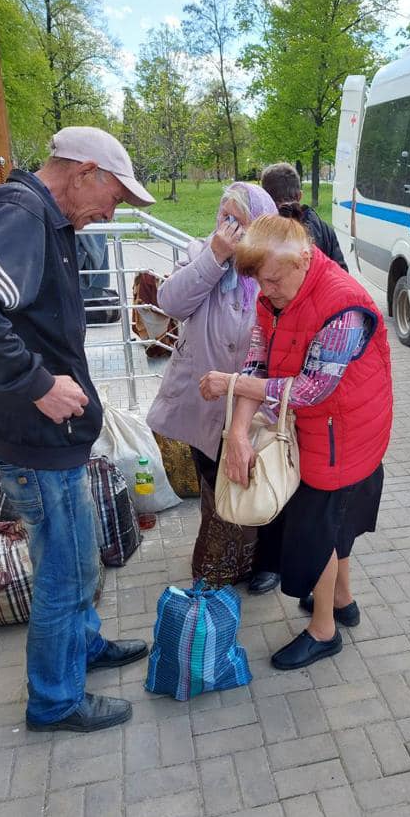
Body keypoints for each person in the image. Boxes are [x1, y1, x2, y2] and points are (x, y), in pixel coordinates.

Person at [0, 126, 154, 733]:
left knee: (79, 556)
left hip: (56, 441)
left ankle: (82, 646)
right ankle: (56, 700)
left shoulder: (48, 220)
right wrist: (38, 383)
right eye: (113, 197)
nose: (110, 213)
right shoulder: (22, 212)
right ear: (84, 172)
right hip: (37, 443)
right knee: (63, 571)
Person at [200, 212, 393, 670]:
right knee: (337, 523)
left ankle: (324, 631)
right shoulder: (277, 296)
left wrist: (231, 385)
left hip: (342, 434)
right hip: (325, 428)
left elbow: (311, 389)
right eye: (259, 284)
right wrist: (240, 431)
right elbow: (258, 358)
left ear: (304, 258)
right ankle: (342, 600)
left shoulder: (343, 305)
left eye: (271, 281)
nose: (264, 293)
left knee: (318, 533)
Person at [146, 182, 283, 594]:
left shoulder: (273, 267)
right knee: (214, 480)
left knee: (258, 479)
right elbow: (170, 303)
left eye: (237, 222)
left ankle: (265, 561)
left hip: (254, 399)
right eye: (223, 219)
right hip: (203, 395)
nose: (228, 230)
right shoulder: (201, 255)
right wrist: (216, 257)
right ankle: (224, 560)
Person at [260, 162, 348, 270]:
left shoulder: (263, 235)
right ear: (300, 195)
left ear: (265, 198)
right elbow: (342, 272)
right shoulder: (325, 229)